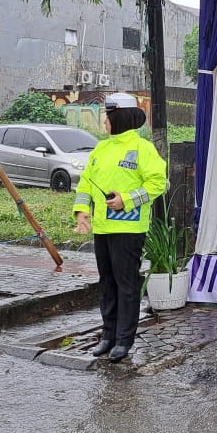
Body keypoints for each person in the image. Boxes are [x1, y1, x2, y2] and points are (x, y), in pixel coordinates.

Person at [74, 92, 167, 363]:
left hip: (128, 228)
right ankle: (108, 335)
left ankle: (124, 339)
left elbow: (156, 184)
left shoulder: (143, 149)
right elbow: (86, 183)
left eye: (108, 117)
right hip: (102, 228)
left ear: (121, 118)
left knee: (126, 284)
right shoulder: (100, 149)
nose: (105, 123)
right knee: (107, 282)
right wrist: (81, 211)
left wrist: (125, 200)